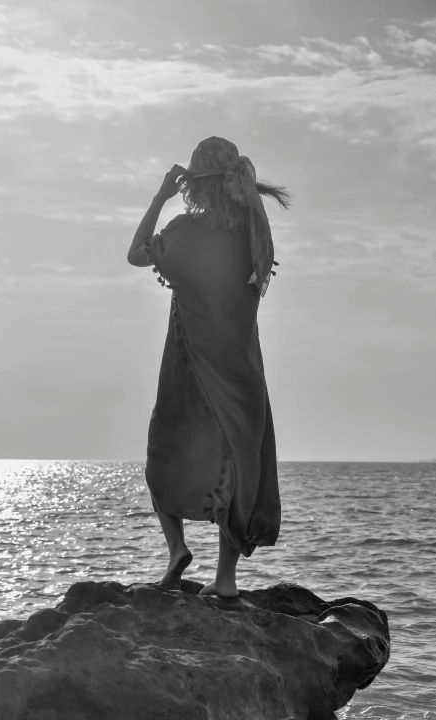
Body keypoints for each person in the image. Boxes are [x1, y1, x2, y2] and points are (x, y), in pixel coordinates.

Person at [127, 136, 291, 599]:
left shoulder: (184, 232)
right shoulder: (254, 235)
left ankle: (177, 549)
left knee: (166, 451)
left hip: (188, 369)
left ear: (194, 185)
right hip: (241, 372)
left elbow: (137, 252)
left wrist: (160, 195)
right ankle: (225, 581)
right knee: (236, 464)